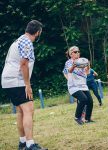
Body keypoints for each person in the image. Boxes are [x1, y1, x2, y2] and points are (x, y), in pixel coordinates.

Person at [1, 20, 48, 150]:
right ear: (38, 32)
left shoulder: (18, 40)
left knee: (20, 111)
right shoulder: (27, 41)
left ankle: (22, 142)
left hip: (8, 80)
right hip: (17, 80)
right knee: (29, 109)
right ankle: (30, 144)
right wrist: (27, 85)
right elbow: (23, 64)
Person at [63, 46, 94, 125]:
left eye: (78, 51)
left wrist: (88, 65)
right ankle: (77, 117)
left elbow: (87, 72)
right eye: (75, 52)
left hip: (83, 85)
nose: (77, 53)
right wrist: (74, 65)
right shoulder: (69, 62)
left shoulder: (82, 61)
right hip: (74, 86)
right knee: (83, 99)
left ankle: (87, 118)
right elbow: (69, 71)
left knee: (90, 101)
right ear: (71, 54)